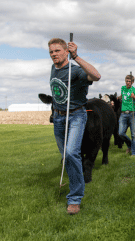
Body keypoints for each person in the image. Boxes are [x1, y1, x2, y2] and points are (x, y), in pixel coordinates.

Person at [47, 38, 100, 215]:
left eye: (57, 51)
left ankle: (75, 199)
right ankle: (76, 184)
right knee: (67, 157)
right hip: (59, 118)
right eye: (51, 52)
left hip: (76, 115)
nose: (53, 54)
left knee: (71, 153)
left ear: (66, 51)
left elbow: (96, 76)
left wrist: (76, 56)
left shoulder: (75, 71)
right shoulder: (53, 69)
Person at [118, 75, 135, 156]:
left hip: (132, 114)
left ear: (132, 82)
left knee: (134, 135)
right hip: (123, 114)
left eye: (129, 81)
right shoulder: (123, 88)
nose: (128, 83)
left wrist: (134, 97)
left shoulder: (134, 90)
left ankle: (134, 153)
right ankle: (129, 145)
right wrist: (117, 98)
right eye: (127, 81)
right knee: (121, 133)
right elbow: (122, 95)